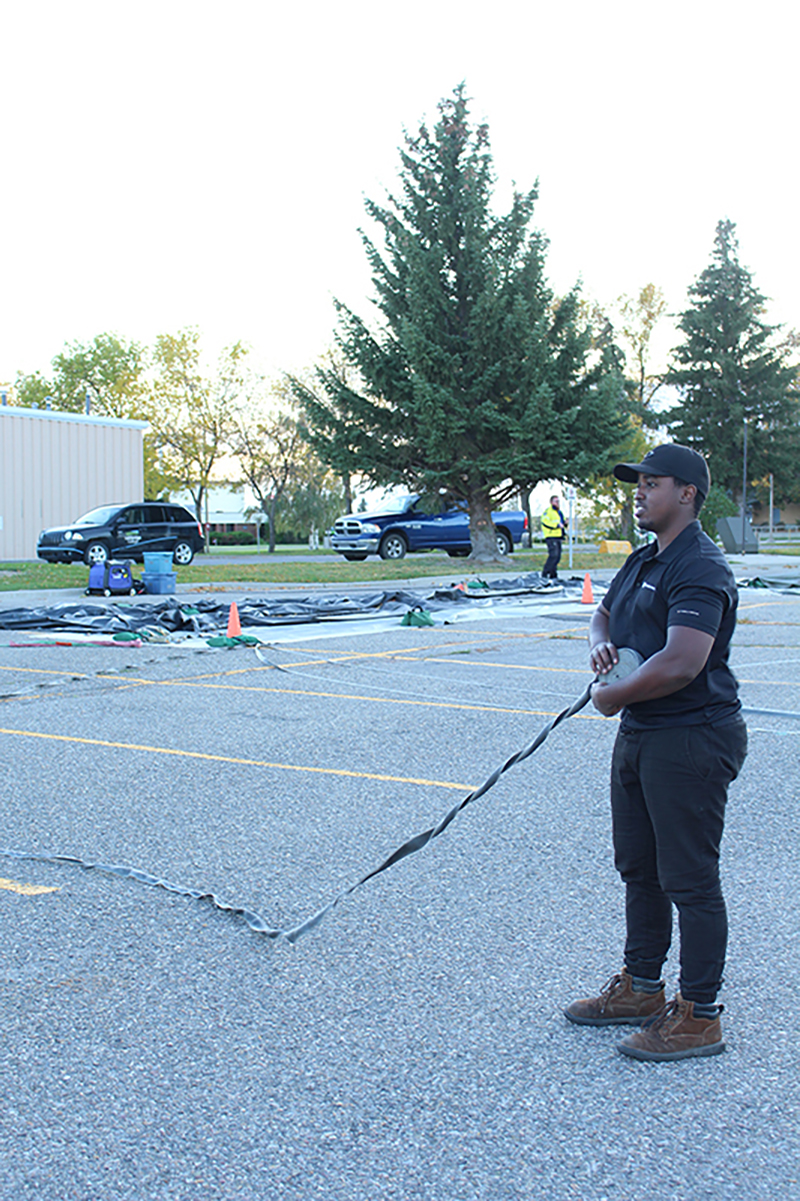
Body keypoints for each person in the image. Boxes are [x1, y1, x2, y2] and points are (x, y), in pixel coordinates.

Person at [565, 444, 748, 1062]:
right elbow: (604, 613)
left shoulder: (700, 565)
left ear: (687, 494)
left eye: (652, 483)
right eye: (637, 483)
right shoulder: (645, 559)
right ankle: (641, 988)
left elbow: (682, 661)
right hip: (644, 732)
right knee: (639, 868)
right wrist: (602, 649)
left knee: (689, 880)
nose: (638, 492)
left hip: (692, 734)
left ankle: (699, 1015)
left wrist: (612, 698)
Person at [540, 495, 567, 581]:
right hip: (551, 536)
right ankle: (545, 573)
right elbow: (545, 522)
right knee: (553, 555)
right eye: (556, 501)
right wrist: (556, 526)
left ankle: (553, 574)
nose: (558, 503)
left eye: (558, 501)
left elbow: (562, 523)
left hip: (558, 536)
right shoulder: (548, 512)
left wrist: (565, 523)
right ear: (551, 502)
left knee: (558, 556)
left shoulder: (559, 512)